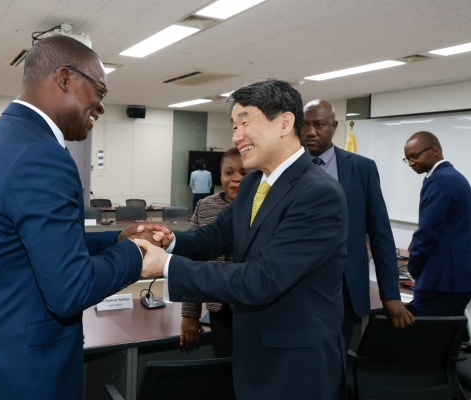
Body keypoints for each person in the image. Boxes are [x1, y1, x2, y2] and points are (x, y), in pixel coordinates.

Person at [0, 36, 172, 400]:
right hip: (14, 376)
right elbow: (69, 290)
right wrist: (137, 255)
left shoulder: (0, 138)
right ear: (65, 78)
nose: (101, 107)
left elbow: (32, 246)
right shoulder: (41, 156)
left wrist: (117, 240)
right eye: (99, 92)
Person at [136, 79, 349, 399]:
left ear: (285, 123)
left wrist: (167, 266)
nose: (237, 135)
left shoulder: (319, 194)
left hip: (295, 366)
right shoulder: (254, 186)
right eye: (234, 126)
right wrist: (170, 242)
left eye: (246, 122)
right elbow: (216, 236)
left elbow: (264, 279)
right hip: (252, 353)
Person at [301, 100, 414, 347]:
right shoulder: (283, 168)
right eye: (304, 125)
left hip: (346, 283)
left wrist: (390, 294)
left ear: (334, 126)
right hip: (296, 282)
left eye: (319, 124)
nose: (310, 132)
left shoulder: (362, 168)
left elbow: (381, 233)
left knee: (338, 353)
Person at [403, 131, 471, 316]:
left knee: (428, 340)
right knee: (445, 339)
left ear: (434, 150)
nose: (410, 164)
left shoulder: (440, 180)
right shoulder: (453, 176)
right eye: (407, 159)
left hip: (441, 280)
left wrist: (413, 268)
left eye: (415, 157)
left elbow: (427, 234)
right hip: (454, 278)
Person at [181, 147, 246, 357]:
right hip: (219, 310)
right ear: (220, 176)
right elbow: (192, 263)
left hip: (253, 308)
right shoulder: (205, 206)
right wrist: (190, 314)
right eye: (229, 173)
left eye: (244, 173)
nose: (236, 178)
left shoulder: (266, 208)